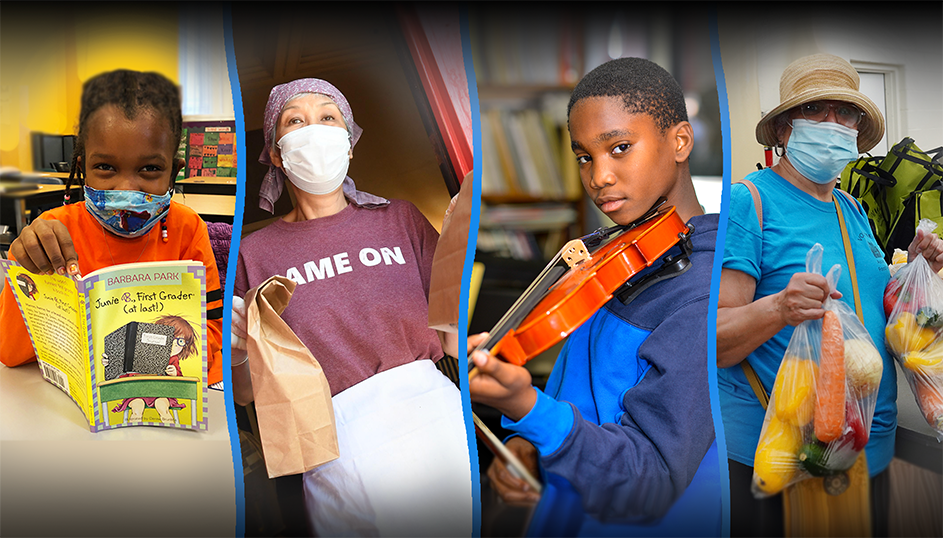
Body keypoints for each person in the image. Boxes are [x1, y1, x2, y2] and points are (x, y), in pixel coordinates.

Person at [468, 57, 722, 536]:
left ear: (680, 141)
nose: (598, 176)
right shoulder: (614, 255)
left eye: (620, 148)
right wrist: (530, 446)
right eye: (585, 156)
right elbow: (579, 393)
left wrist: (527, 409)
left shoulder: (705, 292)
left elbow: (652, 481)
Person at [230, 78, 471, 538]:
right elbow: (246, 395)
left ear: (349, 141)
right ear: (277, 153)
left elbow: (452, 340)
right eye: (295, 121)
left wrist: (457, 250)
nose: (314, 129)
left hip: (436, 421)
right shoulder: (252, 254)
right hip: (335, 445)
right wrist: (238, 351)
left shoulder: (400, 218)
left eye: (328, 117)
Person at [717, 53, 943, 537]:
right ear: (782, 129)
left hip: (865, 445)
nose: (832, 123)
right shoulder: (749, 200)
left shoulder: (853, 208)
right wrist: (779, 307)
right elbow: (715, 339)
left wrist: (920, 269)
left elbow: (876, 305)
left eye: (845, 113)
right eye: (815, 109)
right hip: (781, 454)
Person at [0, 69, 224, 389]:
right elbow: (9, 353)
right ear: (82, 169)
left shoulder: (188, 229)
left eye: (150, 169)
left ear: (173, 172)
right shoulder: (53, 230)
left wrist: (125, 357)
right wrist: (25, 269)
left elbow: (211, 338)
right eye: (105, 167)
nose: (127, 189)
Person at [108, 314, 200, 424]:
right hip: (137, 392)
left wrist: (175, 374)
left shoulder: (173, 360)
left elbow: (179, 383)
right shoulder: (139, 353)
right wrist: (111, 364)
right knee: (137, 407)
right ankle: (134, 431)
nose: (174, 344)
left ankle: (169, 428)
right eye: (171, 338)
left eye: (180, 341)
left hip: (160, 393)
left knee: (162, 406)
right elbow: (123, 372)